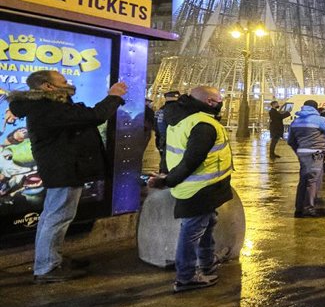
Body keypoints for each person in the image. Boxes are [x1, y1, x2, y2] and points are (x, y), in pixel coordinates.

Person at [9, 70, 127, 283]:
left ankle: (50, 260)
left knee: (52, 216)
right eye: (63, 81)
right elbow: (94, 116)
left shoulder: (47, 106)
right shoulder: (47, 108)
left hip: (63, 168)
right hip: (64, 169)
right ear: (47, 86)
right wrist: (114, 96)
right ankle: (47, 268)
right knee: (58, 217)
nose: (68, 83)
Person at [148, 85, 233, 292]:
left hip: (200, 187)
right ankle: (186, 277)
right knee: (192, 233)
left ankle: (207, 262)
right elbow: (190, 161)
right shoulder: (203, 124)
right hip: (199, 189)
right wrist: (168, 181)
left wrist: (167, 176)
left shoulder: (180, 117)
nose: (221, 102)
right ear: (210, 102)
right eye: (219, 99)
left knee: (207, 225)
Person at [287, 99, 325, 216]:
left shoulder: (296, 121)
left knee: (303, 180)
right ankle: (309, 208)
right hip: (316, 153)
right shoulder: (319, 120)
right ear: (315, 108)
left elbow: (290, 141)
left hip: (302, 153)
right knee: (313, 181)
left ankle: (299, 208)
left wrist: (299, 151)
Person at [154, 90, 180, 172]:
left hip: (162, 139)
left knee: (164, 160)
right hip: (176, 140)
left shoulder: (161, 110)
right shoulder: (181, 110)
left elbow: (156, 124)